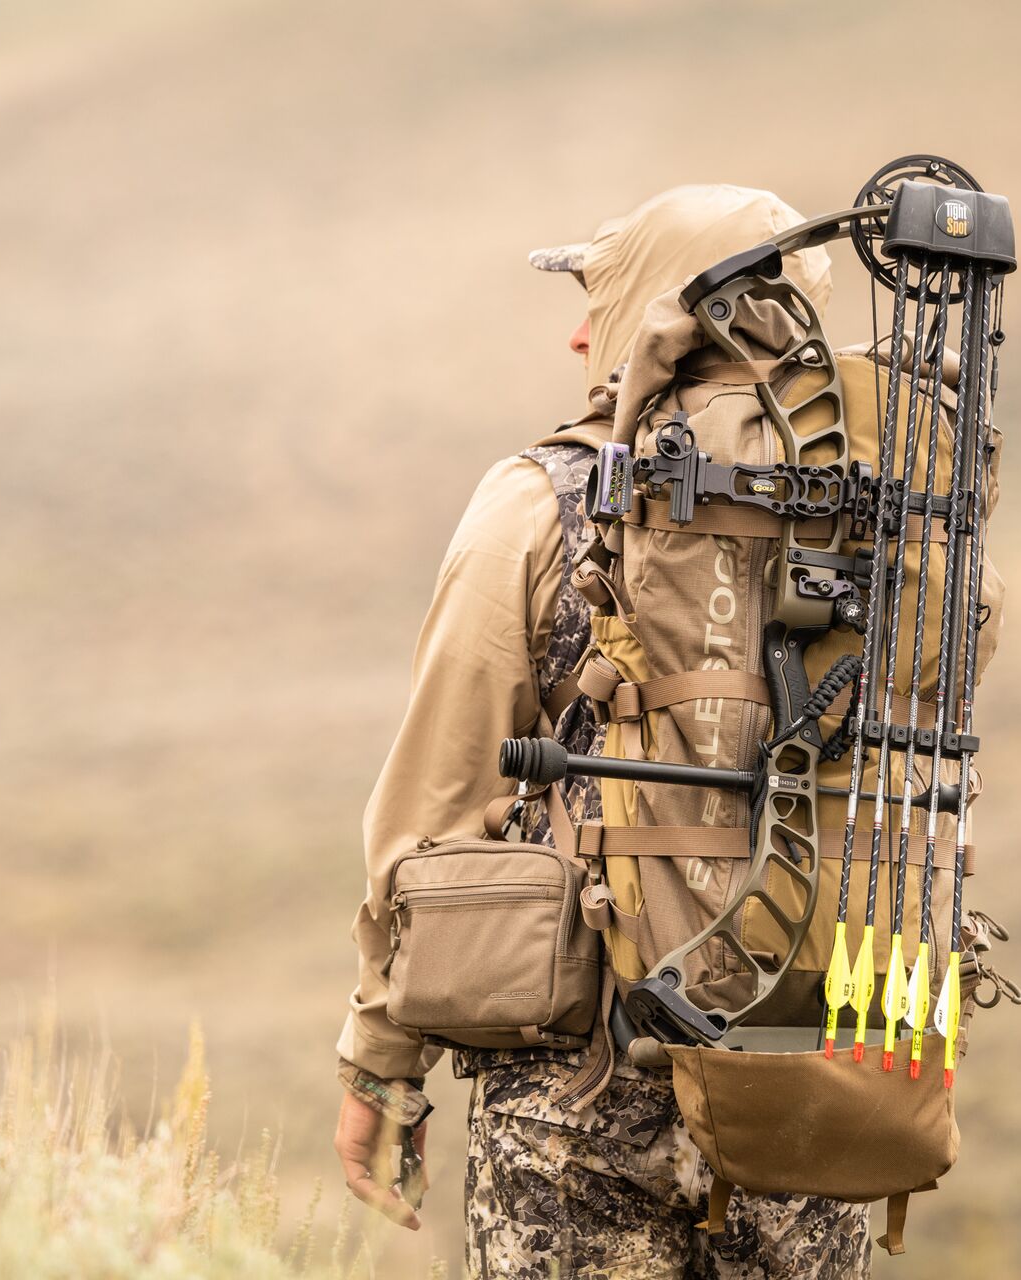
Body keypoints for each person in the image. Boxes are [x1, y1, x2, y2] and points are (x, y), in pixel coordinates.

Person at [334, 184, 873, 1278]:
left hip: (577, 1092)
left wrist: (381, 1062)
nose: (580, 336)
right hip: (810, 1073)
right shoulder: (885, 514)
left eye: (602, 300)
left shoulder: (540, 498)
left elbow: (440, 792)